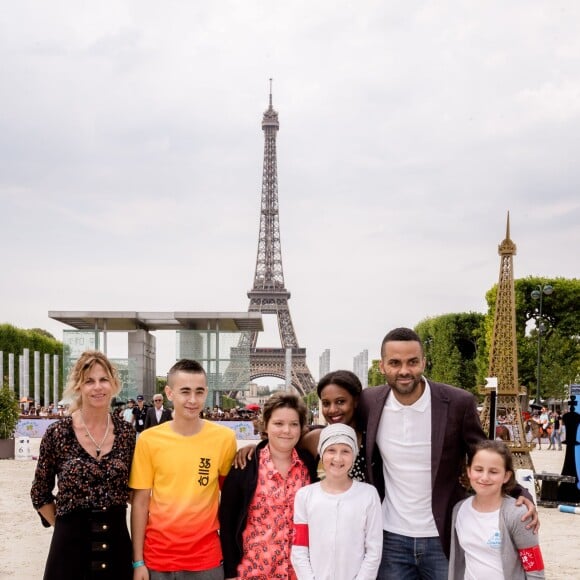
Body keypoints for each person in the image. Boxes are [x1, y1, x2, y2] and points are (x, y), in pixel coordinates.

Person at [358, 327, 538, 580]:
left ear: (424, 362)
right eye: (395, 363)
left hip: (444, 534)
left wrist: (520, 491)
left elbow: (484, 453)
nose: (404, 371)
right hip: (389, 536)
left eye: (412, 362)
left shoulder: (457, 402)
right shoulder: (369, 402)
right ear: (382, 367)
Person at [30, 350, 136, 579]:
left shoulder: (127, 434)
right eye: (89, 381)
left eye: (103, 379)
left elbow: (134, 492)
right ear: (78, 387)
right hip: (68, 552)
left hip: (116, 549)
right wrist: (64, 529)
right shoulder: (57, 433)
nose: (97, 387)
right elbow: (40, 494)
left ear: (114, 384)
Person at [129, 359, 237, 579]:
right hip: (157, 559)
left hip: (206, 559)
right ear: (169, 393)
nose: (192, 400)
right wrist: (138, 561)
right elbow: (140, 503)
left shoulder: (224, 438)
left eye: (199, 392)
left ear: (206, 392)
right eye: (185, 391)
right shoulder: (149, 440)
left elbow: (231, 500)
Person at [219, 392, 318, 580]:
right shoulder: (245, 466)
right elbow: (227, 521)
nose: (286, 430)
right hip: (253, 571)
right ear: (266, 425)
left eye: (294, 424)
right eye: (278, 423)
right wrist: (231, 572)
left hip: (299, 572)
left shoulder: (309, 465)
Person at [234, 370, 367, 481]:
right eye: (326, 403)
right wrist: (255, 449)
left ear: (355, 401)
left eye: (340, 402)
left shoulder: (371, 439)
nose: (332, 410)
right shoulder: (315, 439)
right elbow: (281, 445)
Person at [291, 424, 382, 580]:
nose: (338, 458)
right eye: (331, 450)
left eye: (345, 451)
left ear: (354, 455)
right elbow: (300, 548)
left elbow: (374, 550)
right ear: (321, 453)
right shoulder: (305, 496)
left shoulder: (368, 495)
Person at [449, 440, 545, 579]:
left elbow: (535, 570)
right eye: (478, 470)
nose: (484, 477)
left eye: (493, 472)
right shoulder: (459, 510)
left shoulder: (518, 514)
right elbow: (458, 561)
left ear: (506, 476)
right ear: (469, 471)